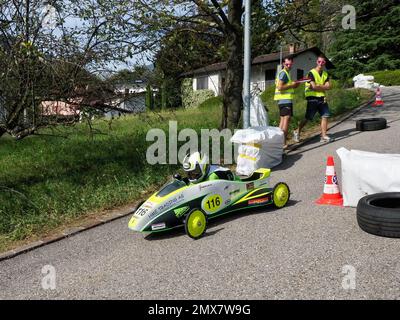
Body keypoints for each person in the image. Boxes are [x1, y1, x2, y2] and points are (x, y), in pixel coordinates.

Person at [293, 55, 333, 143]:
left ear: (324, 63)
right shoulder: (311, 73)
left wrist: (319, 86)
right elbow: (314, 87)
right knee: (308, 118)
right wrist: (322, 87)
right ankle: (297, 131)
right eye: (319, 61)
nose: (321, 63)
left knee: (325, 115)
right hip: (312, 98)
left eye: (322, 62)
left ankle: (323, 135)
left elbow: (329, 86)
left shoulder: (325, 74)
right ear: (316, 62)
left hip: (322, 97)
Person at [274, 56, 300, 148]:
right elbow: (280, 87)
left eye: (290, 64)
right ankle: (283, 143)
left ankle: (279, 143)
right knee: (285, 121)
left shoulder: (284, 73)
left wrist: (294, 85)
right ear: (283, 64)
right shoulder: (284, 73)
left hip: (281, 101)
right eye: (287, 64)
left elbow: (285, 86)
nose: (288, 65)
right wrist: (291, 85)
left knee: (282, 122)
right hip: (285, 100)